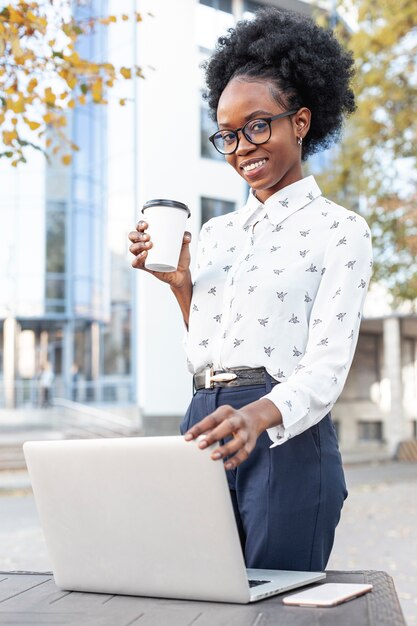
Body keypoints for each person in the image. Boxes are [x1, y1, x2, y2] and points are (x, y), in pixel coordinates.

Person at [128, 8, 373, 572]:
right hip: (203, 422)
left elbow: (327, 368)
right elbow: (209, 346)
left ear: (302, 121)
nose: (242, 148)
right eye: (228, 135)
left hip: (283, 434)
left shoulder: (341, 229)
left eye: (258, 126)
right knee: (199, 598)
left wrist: (258, 416)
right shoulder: (215, 234)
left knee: (274, 608)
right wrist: (181, 285)